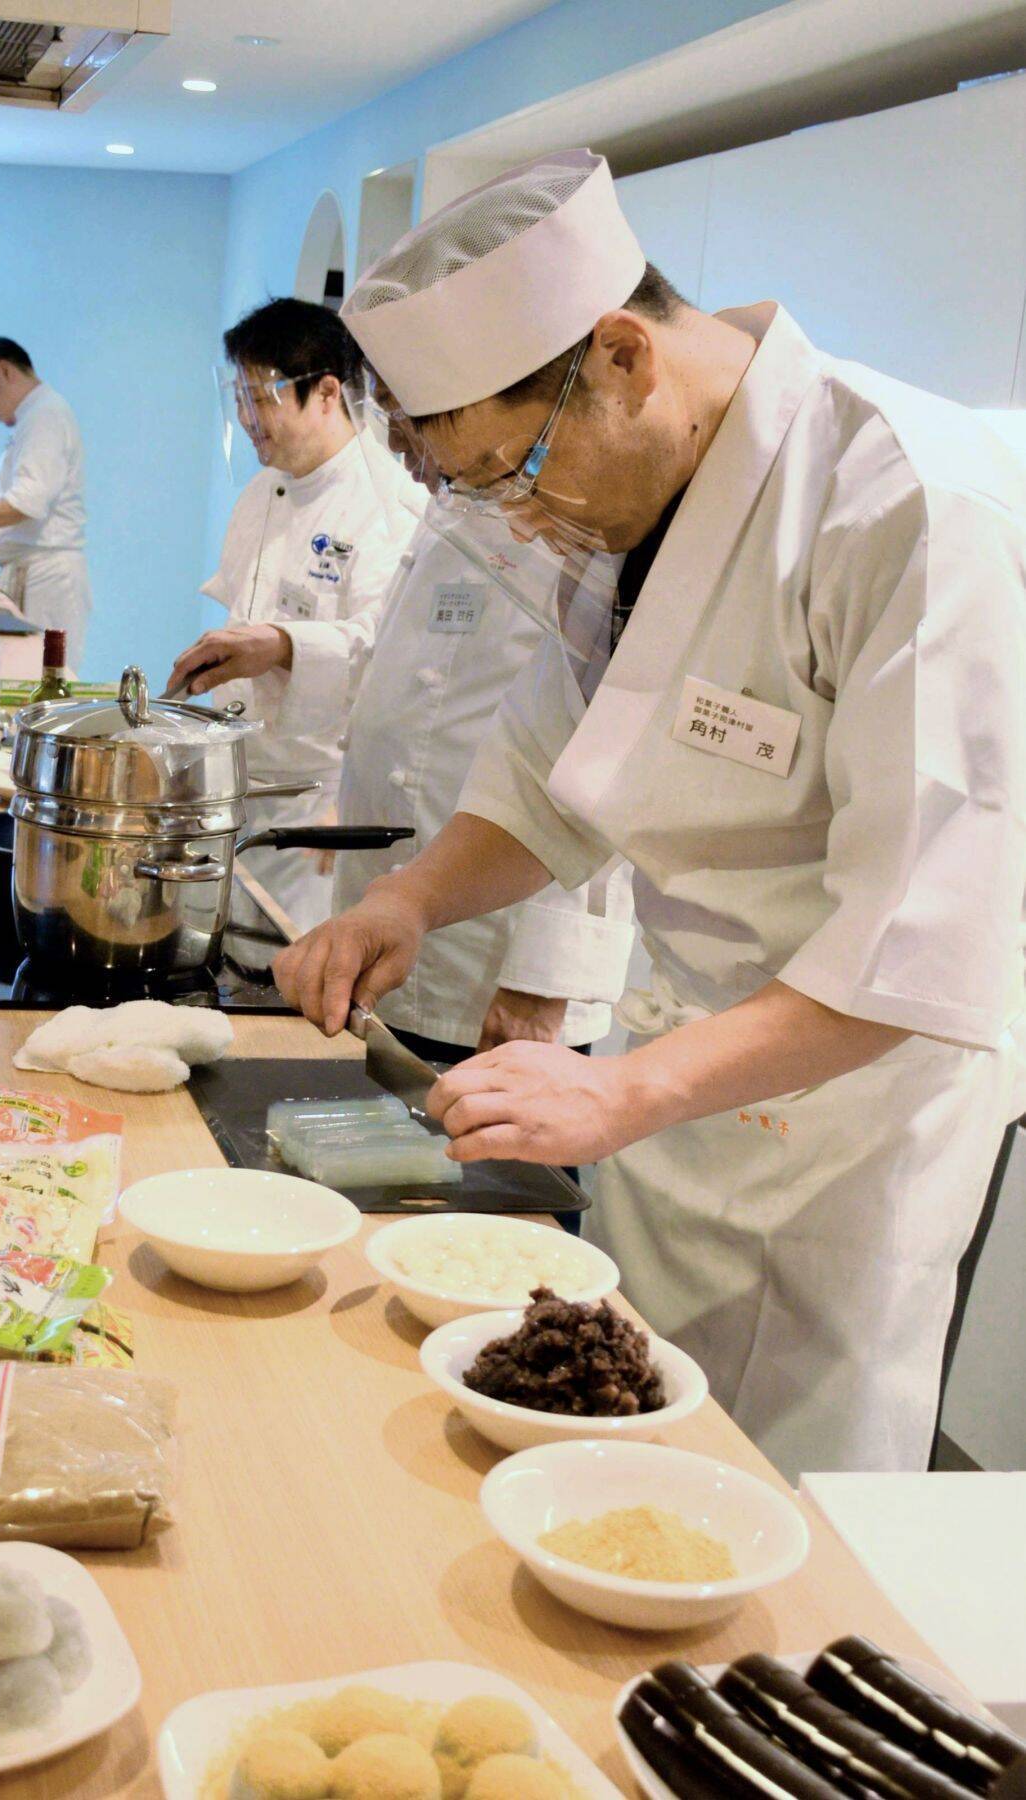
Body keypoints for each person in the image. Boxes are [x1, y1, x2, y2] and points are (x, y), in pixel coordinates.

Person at [275, 147, 1026, 1480]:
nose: (518, 521)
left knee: (782, 1490)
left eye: (513, 471)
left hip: (840, 1122)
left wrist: (627, 1086)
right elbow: (548, 780)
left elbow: (916, 943)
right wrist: (410, 898)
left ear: (620, 356)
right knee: (617, 1433)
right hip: (668, 1077)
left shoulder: (905, 506)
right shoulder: (622, 506)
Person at [336, 376, 635, 1064]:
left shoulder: (578, 512)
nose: (394, 442)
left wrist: (546, 977)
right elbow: (396, 673)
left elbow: (598, 756)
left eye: (404, 417)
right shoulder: (449, 502)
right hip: (400, 918)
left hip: (499, 962)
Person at [167, 299, 415, 934]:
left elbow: (384, 653)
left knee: (291, 960)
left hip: (322, 806)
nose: (247, 419)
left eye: (261, 398)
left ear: (327, 393)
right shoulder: (261, 493)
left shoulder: (388, 503)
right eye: (239, 400)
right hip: (242, 783)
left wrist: (280, 645)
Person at [0, 337, 91, 670]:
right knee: (26, 675)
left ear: (5, 371)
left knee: (43, 677)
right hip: (34, 570)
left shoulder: (45, 416)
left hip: (46, 577)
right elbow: (29, 506)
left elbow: (28, 501)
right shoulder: (36, 417)